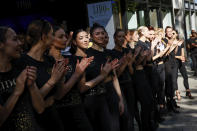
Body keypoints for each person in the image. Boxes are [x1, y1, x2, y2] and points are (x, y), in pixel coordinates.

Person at [73, 24, 123, 131]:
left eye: (102, 33)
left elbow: (113, 76)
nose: (85, 40)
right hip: (91, 99)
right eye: (97, 33)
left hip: (105, 95)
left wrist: (120, 98)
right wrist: (102, 76)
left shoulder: (100, 54)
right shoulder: (82, 57)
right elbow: (82, 87)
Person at [50, 25, 94, 131]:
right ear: (49, 39)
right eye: (61, 37)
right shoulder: (47, 62)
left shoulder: (73, 59)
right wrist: (77, 74)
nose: (65, 39)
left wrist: (81, 73)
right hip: (59, 113)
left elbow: (81, 88)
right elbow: (58, 95)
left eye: (65, 36)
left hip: (78, 109)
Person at [0, 26, 42, 130]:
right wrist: (16, 92)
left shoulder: (21, 69)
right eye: (15, 39)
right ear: (1, 44)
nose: (20, 43)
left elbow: (40, 108)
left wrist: (32, 86)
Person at [133, 26, 154, 131]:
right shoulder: (139, 45)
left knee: (149, 101)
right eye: (146, 31)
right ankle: (145, 126)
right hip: (139, 75)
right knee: (145, 102)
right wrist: (142, 57)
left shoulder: (145, 44)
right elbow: (135, 64)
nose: (148, 33)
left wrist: (151, 50)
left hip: (145, 73)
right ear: (141, 32)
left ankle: (149, 124)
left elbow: (148, 60)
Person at [172, 30, 194, 99]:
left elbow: (182, 51)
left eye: (173, 33)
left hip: (180, 61)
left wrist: (183, 58)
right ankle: (177, 92)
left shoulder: (180, 42)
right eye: (171, 33)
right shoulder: (170, 42)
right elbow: (173, 54)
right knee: (175, 78)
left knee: (185, 76)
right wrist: (175, 45)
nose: (172, 34)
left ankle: (188, 91)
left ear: (176, 34)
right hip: (174, 61)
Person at [163, 26, 180, 113]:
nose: (170, 33)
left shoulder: (173, 39)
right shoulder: (164, 40)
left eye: (171, 31)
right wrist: (173, 43)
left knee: (174, 82)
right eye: (168, 31)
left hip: (174, 62)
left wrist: (175, 43)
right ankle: (170, 104)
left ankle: (173, 102)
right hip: (167, 63)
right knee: (170, 83)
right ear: (165, 32)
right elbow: (167, 52)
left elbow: (175, 51)